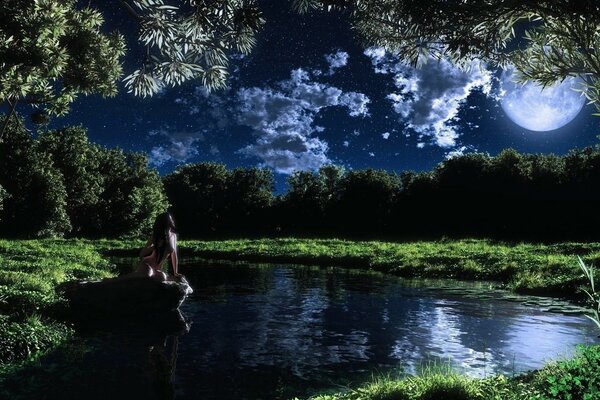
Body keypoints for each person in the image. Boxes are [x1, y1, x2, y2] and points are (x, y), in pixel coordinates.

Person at [131, 212, 180, 281]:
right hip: (147, 264)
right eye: (169, 219)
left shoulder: (173, 236)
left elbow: (174, 256)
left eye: (171, 218)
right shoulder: (155, 235)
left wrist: (175, 272)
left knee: (162, 277)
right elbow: (142, 253)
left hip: (157, 268)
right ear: (164, 222)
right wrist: (155, 246)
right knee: (148, 275)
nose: (172, 220)